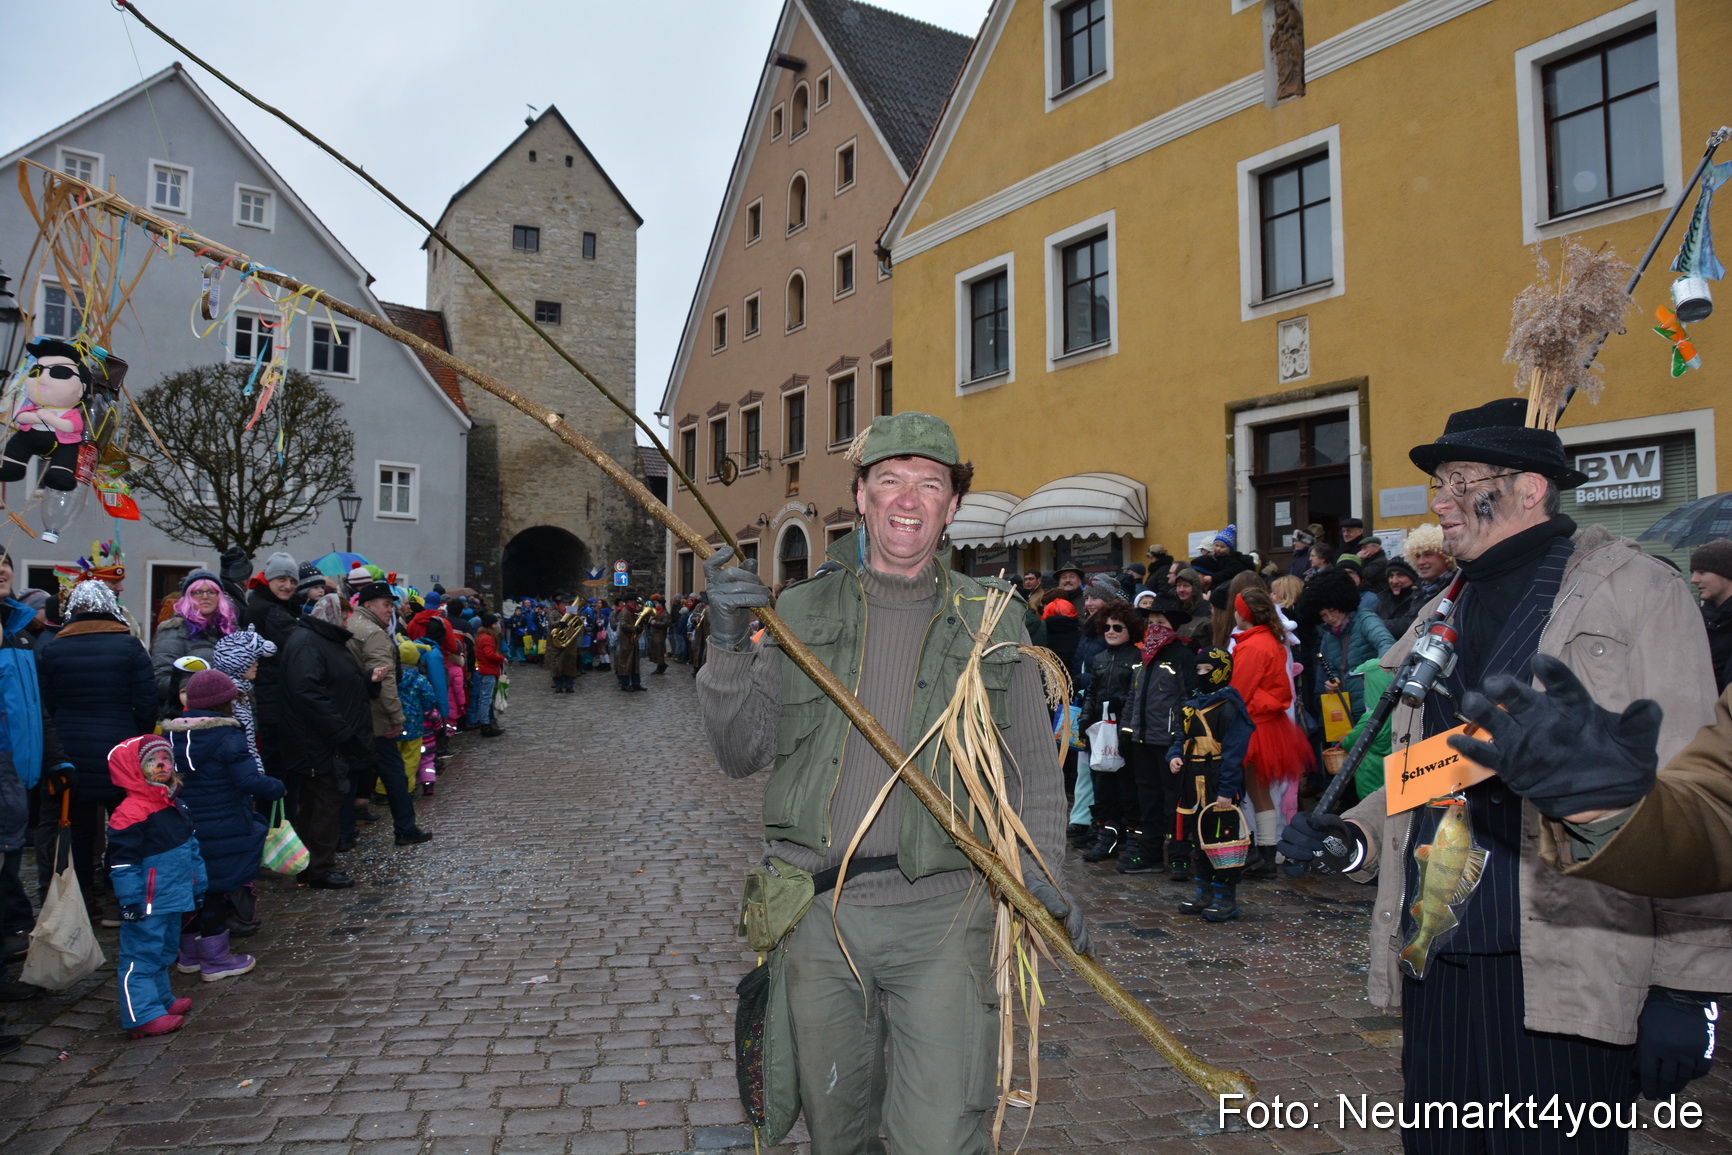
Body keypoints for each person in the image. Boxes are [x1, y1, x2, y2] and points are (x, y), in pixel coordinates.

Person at [1281, 397, 1728, 1151]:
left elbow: (1694, 803)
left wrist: (1688, 985)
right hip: (1439, 960)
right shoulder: (1439, 612)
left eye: (1461, 481)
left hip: (1566, 967)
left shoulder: (1637, 592)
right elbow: (1440, 763)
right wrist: (1353, 837)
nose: (1439, 503)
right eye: (1437, 483)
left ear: (1530, 488)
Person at [695, 412, 1079, 1153]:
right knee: (839, 1135)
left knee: (940, 1134)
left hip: (948, 916)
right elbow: (739, 750)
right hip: (819, 917)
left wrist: (1045, 884)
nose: (909, 499)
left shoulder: (992, 621)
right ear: (862, 497)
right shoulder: (801, 611)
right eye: (890, 481)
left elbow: (1034, 772)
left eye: (929, 484)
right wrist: (724, 643)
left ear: (952, 506)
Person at [35, 579, 155, 916]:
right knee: (124, 826)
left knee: (79, 830)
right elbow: (147, 701)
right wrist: (138, 736)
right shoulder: (130, 647)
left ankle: (83, 898)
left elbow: (48, 704)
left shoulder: (53, 649)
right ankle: (120, 899)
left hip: (71, 749)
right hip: (121, 750)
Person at [163, 670, 283, 982]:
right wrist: (277, 787)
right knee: (216, 891)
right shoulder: (228, 736)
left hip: (183, 825)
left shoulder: (170, 736)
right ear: (223, 703)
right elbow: (248, 781)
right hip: (224, 823)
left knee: (191, 891)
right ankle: (215, 960)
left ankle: (189, 955)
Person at [0, 552, 75, 1044]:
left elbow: (35, 707)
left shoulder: (20, 630)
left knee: (8, 874)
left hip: (17, 777)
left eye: (4, 562)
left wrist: (55, 760)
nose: (2, 569)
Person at [107, 735, 205, 1039]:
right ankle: (141, 1015)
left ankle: (161, 999)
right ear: (135, 770)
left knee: (163, 951)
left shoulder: (173, 803)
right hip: (146, 900)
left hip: (171, 894)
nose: (162, 766)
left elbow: (191, 848)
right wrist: (130, 901)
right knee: (141, 955)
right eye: (151, 762)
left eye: (165, 759)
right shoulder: (131, 811)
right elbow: (121, 864)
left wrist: (197, 884)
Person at [278, 594, 371, 889]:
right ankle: (319, 868)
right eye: (344, 616)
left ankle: (313, 864)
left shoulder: (320, 639)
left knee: (318, 802)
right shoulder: (309, 641)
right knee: (324, 802)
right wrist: (341, 731)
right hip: (317, 740)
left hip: (323, 738)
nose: (347, 622)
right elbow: (309, 693)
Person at [1230, 588, 1313, 876]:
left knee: (1255, 790)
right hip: (1268, 725)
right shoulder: (1269, 641)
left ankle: (1264, 854)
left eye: (1237, 609)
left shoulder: (1254, 646)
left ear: (1246, 614)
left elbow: (1239, 689)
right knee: (1258, 791)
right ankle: (1264, 851)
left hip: (1256, 726)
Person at [1168, 647, 1253, 921]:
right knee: (1199, 840)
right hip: (1192, 783)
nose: (1201, 675)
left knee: (1223, 842)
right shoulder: (1190, 706)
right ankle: (1204, 891)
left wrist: (1227, 790)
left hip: (1218, 782)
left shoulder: (1229, 707)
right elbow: (1179, 738)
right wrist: (1174, 757)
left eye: (1207, 670)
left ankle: (1225, 897)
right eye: (1199, 670)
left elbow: (1234, 752)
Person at [345, 582, 431, 846]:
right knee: (394, 773)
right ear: (369, 605)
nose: (390, 609)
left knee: (352, 770)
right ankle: (405, 827)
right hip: (376, 715)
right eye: (385, 604)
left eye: (392, 604)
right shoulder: (373, 634)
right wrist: (396, 718)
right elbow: (385, 682)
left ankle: (345, 831)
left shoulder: (352, 624)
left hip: (355, 712)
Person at [1116, 592, 1194, 877]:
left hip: (1169, 742)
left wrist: (1181, 738)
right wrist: (1127, 732)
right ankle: (1149, 853)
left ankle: (1179, 855)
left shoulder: (1182, 656)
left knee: (1173, 801)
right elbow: (1132, 698)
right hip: (1142, 740)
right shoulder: (1143, 657)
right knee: (1147, 800)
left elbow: (1187, 701)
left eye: (1162, 621)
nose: (1155, 627)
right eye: (1152, 621)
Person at [1077, 600, 1143, 865]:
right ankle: (1108, 835)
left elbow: (1136, 695)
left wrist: (1125, 722)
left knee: (1127, 788)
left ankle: (1132, 838)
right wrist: (1084, 720)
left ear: (1130, 630)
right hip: (1100, 731)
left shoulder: (1136, 658)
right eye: (1107, 627)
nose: (1111, 631)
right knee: (1103, 787)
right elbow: (1092, 692)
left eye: (1118, 627)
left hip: (1123, 731)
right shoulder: (1099, 658)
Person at [150, 570, 239, 715]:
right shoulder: (173, 631)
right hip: (189, 716)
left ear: (219, 597)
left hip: (229, 713)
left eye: (211, 592)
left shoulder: (231, 631)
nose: (205, 597)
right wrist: (196, 688)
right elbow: (161, 679)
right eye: (197, 592)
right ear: (187, 598)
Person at [1689, 539, 1732, 692]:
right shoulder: (1697, 619)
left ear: (1726, 573)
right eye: (1693, 572)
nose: (1694, 579)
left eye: (1702, 572)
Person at [1404, 523, 1456, 604]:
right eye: (1417, 556)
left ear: (1445, 555)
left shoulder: (1457, 589)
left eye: (1428, 555)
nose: (1421, 562)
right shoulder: (1417, 592)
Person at [473, 612, 505, 735]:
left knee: (485, 698)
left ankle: (487, 722)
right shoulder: (487, 637)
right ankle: (486, 725)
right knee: (486, 699)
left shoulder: (481, 636)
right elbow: (489, 654)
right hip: (488, 670)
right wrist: (501, 659)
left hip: (485, 669)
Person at [1375, 557, 1422, 637]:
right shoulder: (1383, 599)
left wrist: (1376, 624)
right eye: (1391, 576)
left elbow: (1409, 625)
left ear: (1412, 577)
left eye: (1400, 575)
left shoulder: (1419, 598)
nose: (1394, 581)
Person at [646, 598, 670, 675]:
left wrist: (655, 623)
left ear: (660, 604)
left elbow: (665, 623)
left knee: (659, 650)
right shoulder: (656, 612)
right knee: (655, 650)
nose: (655, 605)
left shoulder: (665, 613)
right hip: (654, 634)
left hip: (660, 635)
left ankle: (661, 666)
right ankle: (661, 665)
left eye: (656, 603)